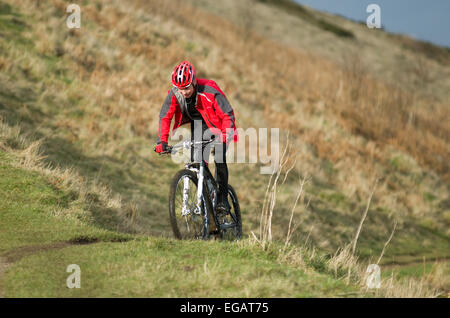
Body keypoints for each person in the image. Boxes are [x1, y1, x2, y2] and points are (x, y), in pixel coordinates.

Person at [155, 61, 237, 214]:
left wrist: (225, 135)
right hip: (200, 126)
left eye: (186, 88)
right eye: (180, 89)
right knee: (196, 162)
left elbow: (227, 115)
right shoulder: (174, 94)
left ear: (193, 81)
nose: (184, 92)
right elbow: (165, 117)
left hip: (220, 126)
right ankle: (206, 200)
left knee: (219, 157)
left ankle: (223, 199)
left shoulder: (210, 90)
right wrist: (162, 141)